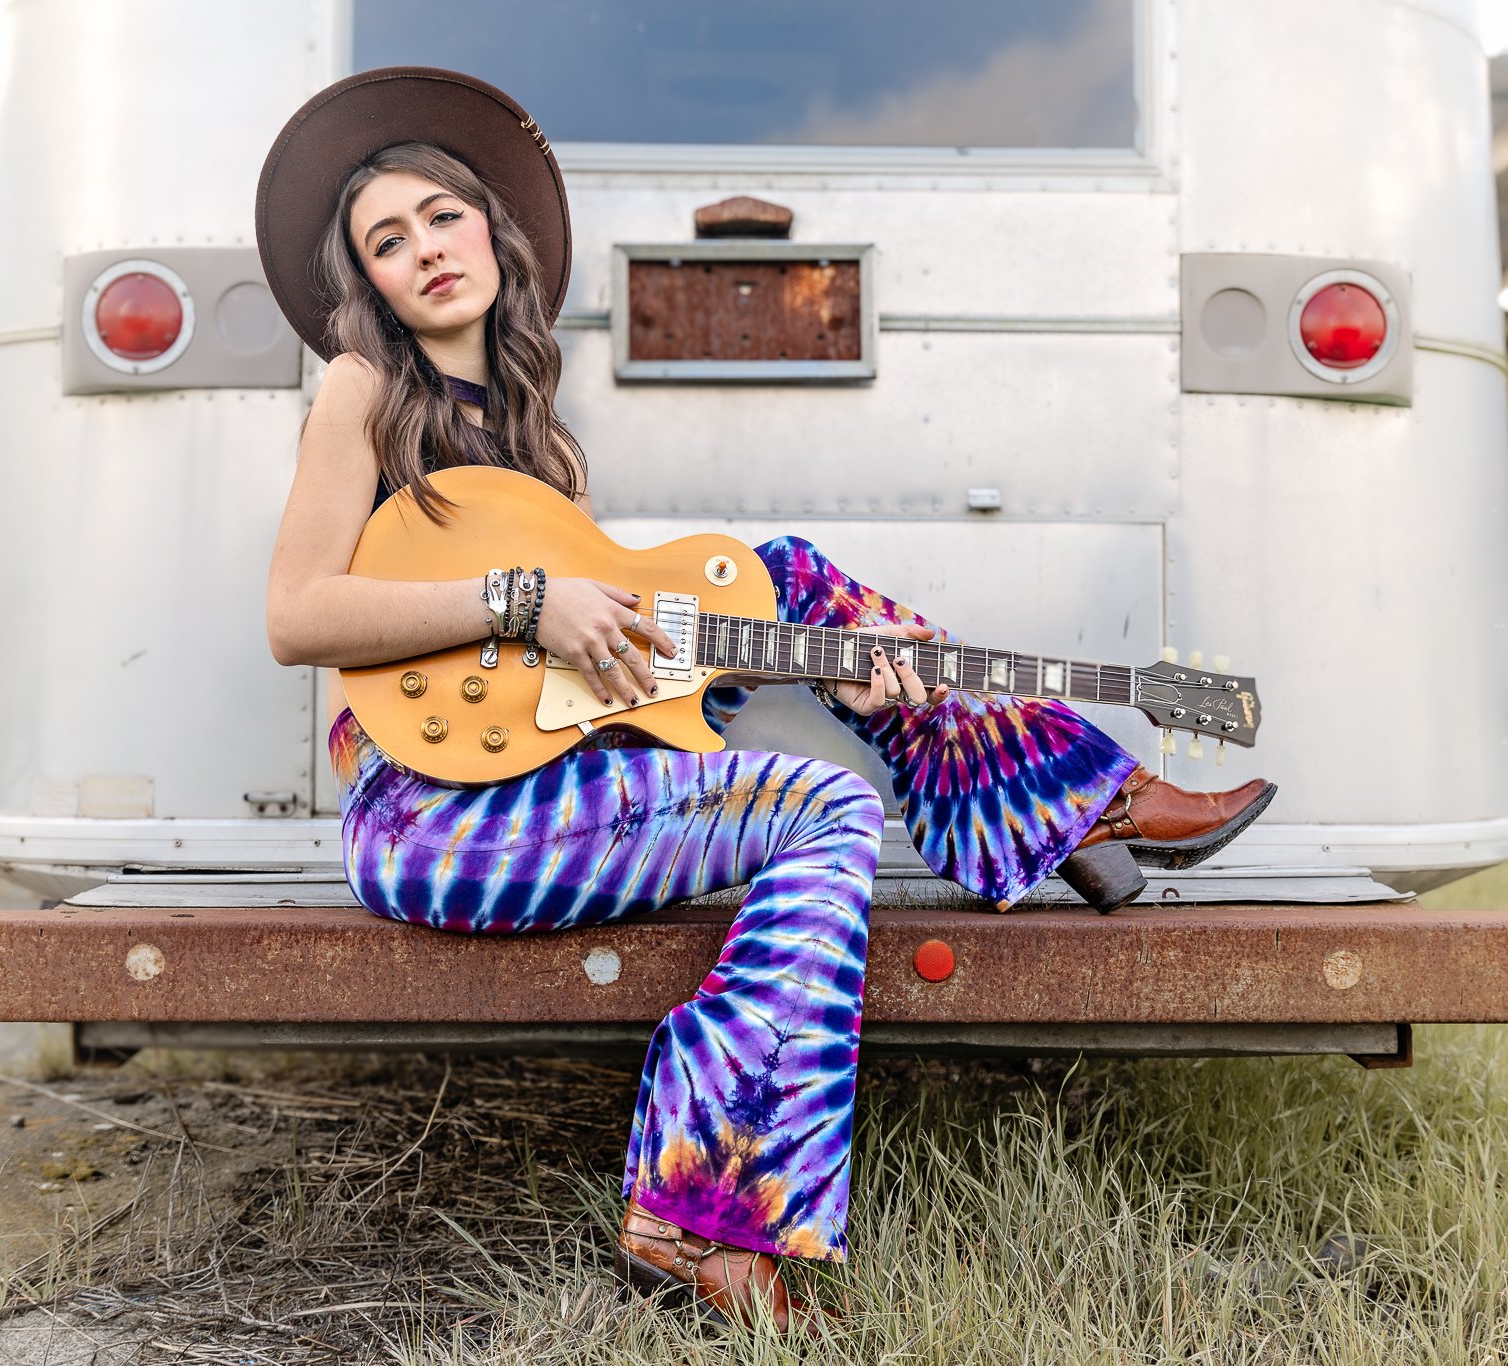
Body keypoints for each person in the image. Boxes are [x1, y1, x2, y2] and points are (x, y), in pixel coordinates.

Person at [256, 67, 1275, 1333]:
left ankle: (1066, 799)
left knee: (786, 582)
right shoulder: (361, 391)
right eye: (388, 242)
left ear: (490, 230)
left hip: (551, 771)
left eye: (442, 216)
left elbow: (582, 689)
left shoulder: (536, 435)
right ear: (369, 284)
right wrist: (528, 597)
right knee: (826, 807)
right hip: (433, 819)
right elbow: (297, 615)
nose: (425, 249)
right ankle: (697, 1213)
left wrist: (806, 661)